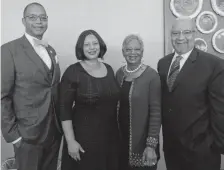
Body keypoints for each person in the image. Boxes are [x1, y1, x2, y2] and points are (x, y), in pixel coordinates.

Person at [157, 17, 224, 170]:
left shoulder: (213, 65)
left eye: (186, 32)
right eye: (176, 33)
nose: (181, 37)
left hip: (202, 153)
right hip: (172, 150)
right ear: (170, 36)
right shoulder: (163, 63)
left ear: (194, 34)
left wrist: (218, 145)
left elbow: (220, 111)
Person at [1, 2, 62, 170]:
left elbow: (52, 88)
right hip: (27, 136)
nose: (39, 22)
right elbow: (2, 96)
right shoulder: (8, 50)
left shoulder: (51, 51)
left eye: (43, 18)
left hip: (54, 132)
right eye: (33, 17)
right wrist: (13, 136)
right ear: (23, 21)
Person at [59, 29, 120, 170]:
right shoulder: (73, 72)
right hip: (83, 140)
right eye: (87, 45)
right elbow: (64, 110)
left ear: (100, 45)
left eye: (95, 43)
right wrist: (70, 141)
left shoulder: (109, 69)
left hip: (110, 138)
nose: (92, 48)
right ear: (81, 48)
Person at [116, 34, 161, 170]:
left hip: (143, 143)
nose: (132, 53)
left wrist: (151, 145)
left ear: (142, 52)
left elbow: (156, 112)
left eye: (137, 49)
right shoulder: (119, 73)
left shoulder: (151, 75)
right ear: (123, 52)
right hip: (120, 140)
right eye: (128, 49)